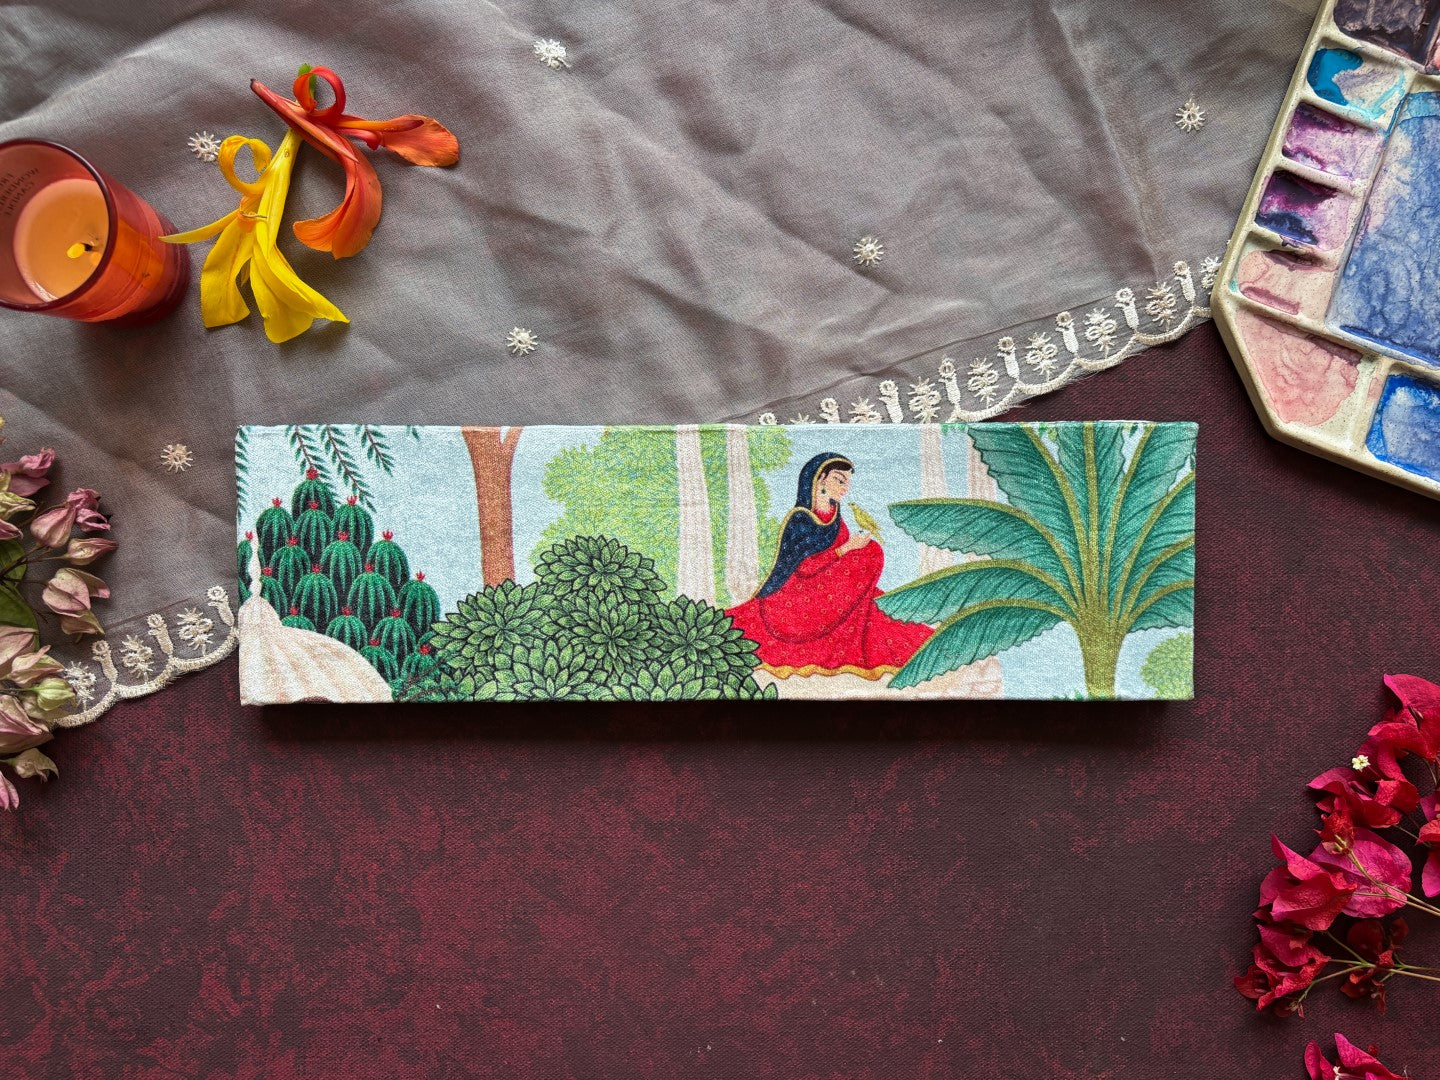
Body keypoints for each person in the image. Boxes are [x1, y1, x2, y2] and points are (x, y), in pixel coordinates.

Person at [725, 452, 933, 678]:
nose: (845, 488)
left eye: (847, 482)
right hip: (797, 595)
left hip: (827, 583)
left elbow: (843, 553)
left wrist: (853, 547)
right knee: (868, 554)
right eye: (839, 480)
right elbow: (804, 567)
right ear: (820, 478)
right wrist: (847, 549)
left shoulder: (834, 513)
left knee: (871, 551)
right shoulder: (801, 518)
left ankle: (851, 616)